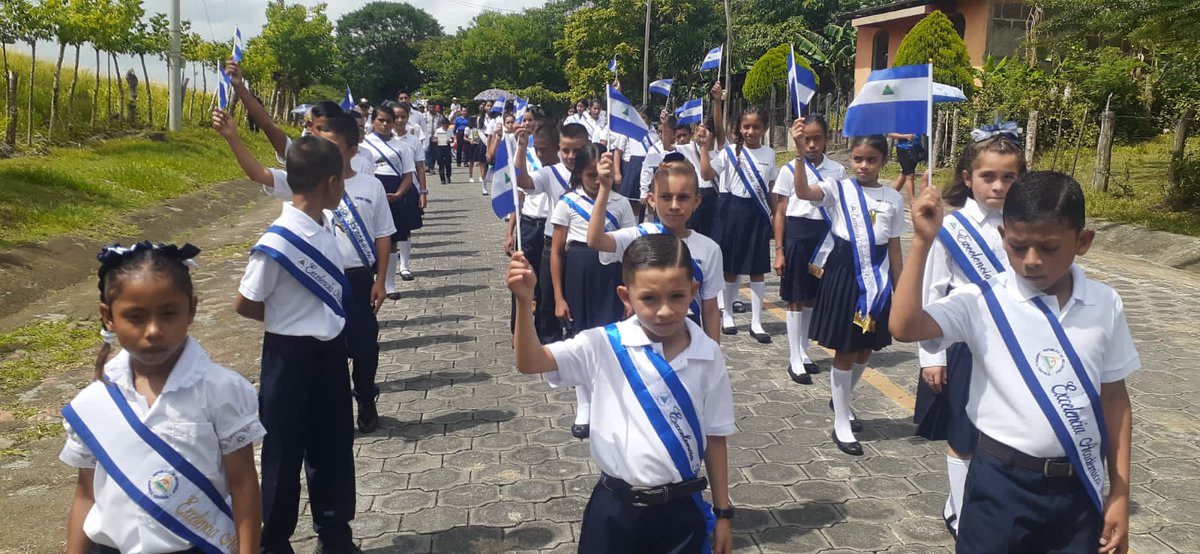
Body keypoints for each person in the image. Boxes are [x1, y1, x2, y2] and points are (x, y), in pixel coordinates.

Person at [890, 171, 1136, 554]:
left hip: (1077, 488)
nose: (1031, 261)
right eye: (1018, 246)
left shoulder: (1105, 303)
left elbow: (1115, 400)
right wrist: (923, 242)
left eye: (1049, 248)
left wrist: (1119, 492)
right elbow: (904, 326)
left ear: (1083, 241)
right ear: (1004, 237)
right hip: (999, 483)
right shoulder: (980, 300)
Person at [508, 234, 735, 554]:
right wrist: (523, 301)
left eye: (677, 296)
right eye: (649, 298)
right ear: (625, 296)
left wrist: (723, 514)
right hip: (615, 510)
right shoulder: (602, 345)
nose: (665, 310)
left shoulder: (708, 354)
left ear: (693, 292)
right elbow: (530, 362)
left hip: (682, 511)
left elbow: (716, 437)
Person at [62, 242, 264, 554]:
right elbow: (86, 493)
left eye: (169, 313)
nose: (154, 330)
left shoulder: (223, 390)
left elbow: (243, 484)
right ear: (108, 317)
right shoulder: (93, 403)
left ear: (191, 310)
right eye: (136, 317)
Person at [214, 110, 395, 434]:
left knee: (365, 348)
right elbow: (258, 172)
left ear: (353, 150)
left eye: (333, 146)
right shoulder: (305, 180)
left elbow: (383, 234)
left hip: (356, 279)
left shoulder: (371, 186)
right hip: (314, 278)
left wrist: (381, 279)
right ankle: (332, 410)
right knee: (331, 349)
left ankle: (366, 397)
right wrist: (232, 136)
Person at [234, 135, 360, 554]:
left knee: (334, 445)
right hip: (287, 356)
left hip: (328, 354)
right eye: (342, 178)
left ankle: (335, 532)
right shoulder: (277, 242)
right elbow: (245, 302)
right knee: (283, 452)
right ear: (331, 182)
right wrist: (288, 322)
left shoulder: (324, 222)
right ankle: (274, 541)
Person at [911, 127, 1025, 537]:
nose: (997, 186)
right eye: (988, 177)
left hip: (1010, 347)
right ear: (967, 178)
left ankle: (971, 500)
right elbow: (931, 294)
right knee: (962, 434)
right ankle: (961, 513)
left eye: (1008, 178)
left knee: (996, 432)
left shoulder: (1023, 225)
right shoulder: (950, 227)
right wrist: (932, 356)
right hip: (961, 345)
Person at [788, 130, 905, 457]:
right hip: (843, 273)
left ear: (884, 161)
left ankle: (841, 398)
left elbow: (895, 248)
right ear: (850, 159)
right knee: (845, 348)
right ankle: (841, 419)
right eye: (858, 159)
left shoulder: (893, 199)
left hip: (876, 280)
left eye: (871, 159)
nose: (864, 165)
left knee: (866, 347)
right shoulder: (839, 189)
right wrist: (799, 155)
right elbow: (803, 191)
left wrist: (901, 287)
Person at [548, 143, 637, 439]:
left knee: (613, 338)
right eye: (590, 175)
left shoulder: (621, 204)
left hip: (612, 278)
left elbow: (631, 252)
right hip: (578, 278)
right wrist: (559, 297)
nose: (597, 182)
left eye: (603, 176)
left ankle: (612, 401)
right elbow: (557, 252)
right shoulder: (567, 202)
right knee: (582, 339)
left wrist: (632, 293)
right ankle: (584, 403)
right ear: (580, 173)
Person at [589, 151, 723, 342]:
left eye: (683, 197)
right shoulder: (639, 235)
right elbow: (595, 240)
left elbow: (710, 308)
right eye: (666, 197)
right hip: (643, 336)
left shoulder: (710, 249)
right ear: (652, 200)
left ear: (696, 201)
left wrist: (713, 352)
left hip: (688, 338)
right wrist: (604, 189)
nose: (674, 205)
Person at [697, 82, 778, 343]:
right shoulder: (730, 152)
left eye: (756, 126)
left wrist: (776, 216)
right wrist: (704, 149)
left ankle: (756, 322)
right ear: (740, 128)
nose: (751, 131)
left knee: (757, 269)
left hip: (757, 214)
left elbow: (771, 189)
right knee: (730, 268)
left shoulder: (770, 154)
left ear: (764, 128)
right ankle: (728, 314)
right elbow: (707, 174)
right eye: (746, 126)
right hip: (731, 210)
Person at [771, 114, 846, 385]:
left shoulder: (837, 170)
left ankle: (804, 351)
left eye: (817, 139)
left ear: (826, 140)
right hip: (797, 236)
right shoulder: (789, 169)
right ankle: (793, 357)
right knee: (795, 297)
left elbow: (839, 207)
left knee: (813, 298)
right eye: (806, 139)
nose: (812, 144)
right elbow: (779, 212)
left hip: (824, 239)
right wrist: (779, 249)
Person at [515, 122, 591, 345]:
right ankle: (549, 348)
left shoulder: (594, 174)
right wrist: (521, 147)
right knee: (548, 301)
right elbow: (523, 182)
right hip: (552, 246)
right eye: (565, 150)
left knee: (578, 299)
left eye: (576, 150)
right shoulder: (551, 173)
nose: (570, 156)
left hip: (583, 248)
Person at [361, 106, 417, 298]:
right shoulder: (364, 145)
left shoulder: (401, 146)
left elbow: (408, 174)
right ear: (373, 121)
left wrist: (399, 194)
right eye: (381, 120)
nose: (385, 124)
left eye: (388, 121)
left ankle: (389, 284)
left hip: (394, 194)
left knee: (391, 239)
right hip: (370, 192)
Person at [390, 102, 428, 280]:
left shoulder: (413, 140)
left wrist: (423, 191)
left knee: (405, 228)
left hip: (409, 188)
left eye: (403, 117)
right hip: (387, 188)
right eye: (395, 117)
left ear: (408, 118)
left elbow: (420, 167)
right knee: (385, 231)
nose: (399, 120)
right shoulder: (382, 140)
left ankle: (404, 266)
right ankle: (384, 268)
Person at [888, 132, 924, 203]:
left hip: (916, 150)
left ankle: (891, 196)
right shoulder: (903, 121)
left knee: (904, 174)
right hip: (904, 149)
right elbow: (890, 134)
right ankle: (912, 202)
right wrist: (905, 136)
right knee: (910, 175)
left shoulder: (918, 121)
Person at [433, 116, 454, 184]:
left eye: (448, 125)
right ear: (442, 124)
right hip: (440, 147)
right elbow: (434, 139)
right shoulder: (438, 130)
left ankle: (448, 176)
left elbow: (452, 139)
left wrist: (449, 141)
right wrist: (439, 140)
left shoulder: (450, 130)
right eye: (445, 125)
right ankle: (442, 178)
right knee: (441, 163)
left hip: (447, 146)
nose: (447, 126)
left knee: (448, 163)